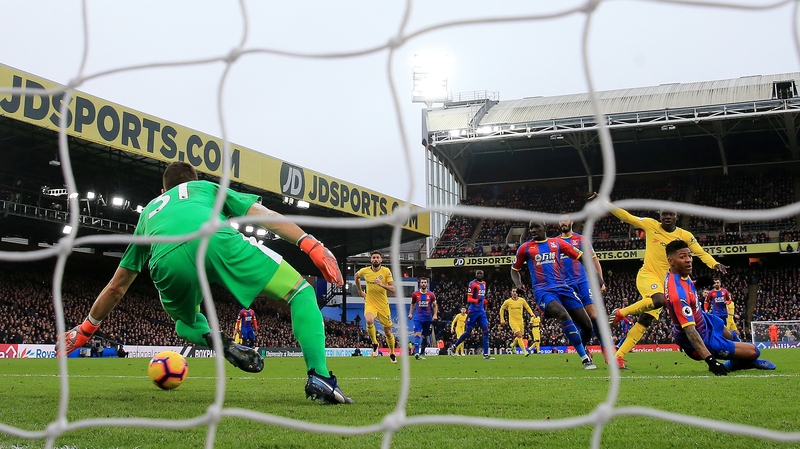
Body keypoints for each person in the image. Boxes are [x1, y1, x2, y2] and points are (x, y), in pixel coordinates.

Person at [55, 161, 353, 404]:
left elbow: (117, 286)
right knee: (300, 292)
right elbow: (263, 215)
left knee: (184, 322)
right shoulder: (204, 188)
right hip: (214, 238)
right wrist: (309, 243)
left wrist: (85, 330)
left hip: (167, 260)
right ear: (192, 180)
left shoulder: (148, 213)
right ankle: (320, 377)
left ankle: (216, 340)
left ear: (163, 190)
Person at [591, 193, 728, 370]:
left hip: (667, 283)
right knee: (658, 300)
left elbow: (699, 252)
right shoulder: (650, 225)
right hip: (648, 275)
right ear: (660, 216)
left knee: (646, 320)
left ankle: (617, 357)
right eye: (664, 214)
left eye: (670, 214)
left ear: (676, 216)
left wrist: (714, 263)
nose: (667, 217)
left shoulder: (684, 235)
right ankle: (621, 313)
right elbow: (627, 217)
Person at [662, 240, 774, 374]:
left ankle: (741, 358)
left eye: (689, 256)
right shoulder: (678, 294)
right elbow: (691, 332)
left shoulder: (675, 275)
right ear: (671, 261)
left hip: (703, 319)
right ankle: (739, 362)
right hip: (699, 338)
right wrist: (711, 361)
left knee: (726, 330)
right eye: (682, 257)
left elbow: (686, 287)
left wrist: (697, 283)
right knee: (755, 351)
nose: (688, 260)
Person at [510, 221, 603, 370]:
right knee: (564, 315)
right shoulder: (525, 248)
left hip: (563, 287)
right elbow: (514, 269)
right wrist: (518, 284)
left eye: (536, 227)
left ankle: (581, 346)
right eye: (531, 228)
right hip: (543, 291)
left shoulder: (557, 243)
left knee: (587, 326)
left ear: (544, 228)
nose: (533, 230)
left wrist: (596, 275)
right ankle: (585, 359)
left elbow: (581, 257)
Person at [558, 219, 607, 358]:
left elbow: (594, 260)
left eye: (566, 220)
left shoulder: (581, 239)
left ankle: (606, 351)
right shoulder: (554, 243)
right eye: (561, 220)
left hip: (583, 282)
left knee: (594, 315)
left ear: (572, 221)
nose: (563, 222)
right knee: (582, 323)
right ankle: (583, 348)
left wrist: (600, 281)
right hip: (565, 285)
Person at [355, 251, 397, 363]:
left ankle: (392, 353)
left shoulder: (386, 271)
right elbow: (356, 276)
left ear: (381, 260)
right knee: (369, 320)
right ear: (371, 260)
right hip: (370, 303)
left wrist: (381, 284)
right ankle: (374, 343)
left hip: (383, 305)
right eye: (373, 258)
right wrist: (360, 291)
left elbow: (393, 288)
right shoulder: (365, 271)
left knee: (388, 332)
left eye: (377, 258)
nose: (375, 259)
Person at [448, 270, 495, 360]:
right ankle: (455, 346)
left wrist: (487, 303)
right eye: (478, 274)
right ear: (475, 275)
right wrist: (477, 301)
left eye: (481, 274)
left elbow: (482, 298)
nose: (479, 275)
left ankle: (486, 354)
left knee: (486, 332)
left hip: (481, 312)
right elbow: (469, 298)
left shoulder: (484, 284)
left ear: (483, 275)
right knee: (468, 333)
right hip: (473, 311)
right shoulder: (472, 284)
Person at [408, 277, 438, 360]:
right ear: (420, 284)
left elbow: (435, 306)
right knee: (417, 334)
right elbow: (413, 304)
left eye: (425, 282)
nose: (423, 284)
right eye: (422, 282)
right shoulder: (415, 294)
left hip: (428, 318)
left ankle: (421, 353)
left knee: (425, 337)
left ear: (427, 284)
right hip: (418, 318)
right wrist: (410, 313)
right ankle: (417, 353)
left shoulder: (431, 294)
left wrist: (435, 315)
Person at [499, 288, 534, 355]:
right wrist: (502, 319)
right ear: (511, 293)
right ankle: (524, 351)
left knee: (520, 336)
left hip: (520, 321)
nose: (515, 293)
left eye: (516, 291)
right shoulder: (508, 302)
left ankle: (513, 345)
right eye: (513, 291)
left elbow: (527, 307)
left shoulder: (522, 300)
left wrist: (532, 313)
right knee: (519, 335)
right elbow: (502, 309)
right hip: (513, 321)